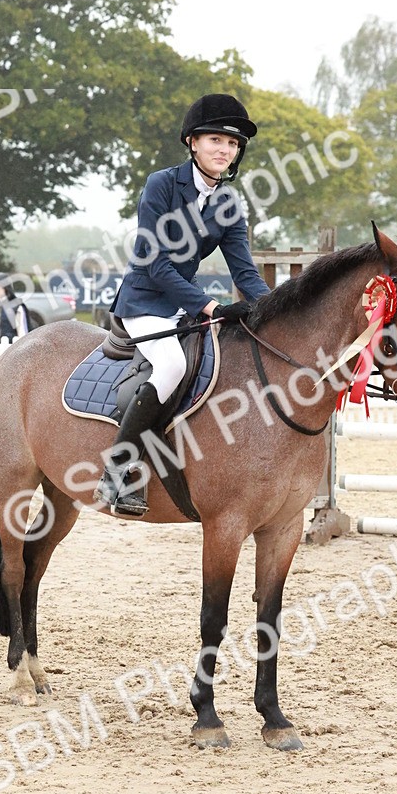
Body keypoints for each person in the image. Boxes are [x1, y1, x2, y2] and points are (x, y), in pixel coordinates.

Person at [94, 92, 271, 517]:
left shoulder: (228, 203)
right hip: (143, 301)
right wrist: (211, 307)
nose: (224, 150)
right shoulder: (161, 184)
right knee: (172, 365)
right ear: (192, 142)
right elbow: (154, 265)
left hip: (182, 307)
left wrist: (274, 308)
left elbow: (244, 272)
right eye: (215, 141)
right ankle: (118, 469)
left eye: (232, 145)